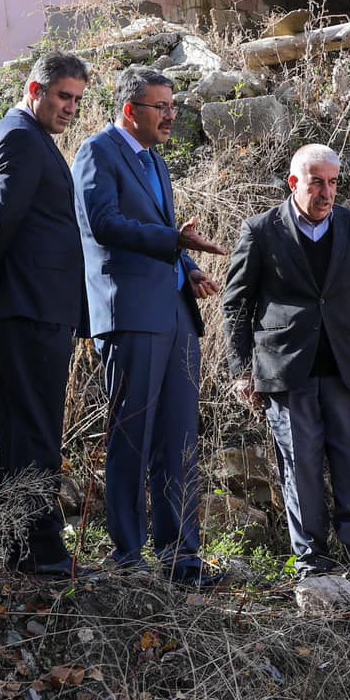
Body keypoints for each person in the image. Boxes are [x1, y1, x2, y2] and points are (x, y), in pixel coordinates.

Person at [223, 143, 350, 583]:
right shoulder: (260, 231)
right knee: (300, 465)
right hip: (287, 369)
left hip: (347, 364)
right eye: (316, 183)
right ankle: (312, 559)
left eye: (333, 183)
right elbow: (236, 306)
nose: (326, 193)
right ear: (294, 183)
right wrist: (241, 368)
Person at [72, 66, 227, 587]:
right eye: (161, 106)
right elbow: (104, 224)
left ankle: (182, 558)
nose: (171, 115)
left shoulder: (156, 160)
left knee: (180, 438)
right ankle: (127, 555)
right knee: (132, 437)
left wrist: (188, 268)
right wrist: (173, 245)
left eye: (173, 105)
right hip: (129, 315)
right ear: (129, 110)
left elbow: (164, 234)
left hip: (176, 315)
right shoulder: (97, 152)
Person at [0, 52, 90, 577]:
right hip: (26, 307)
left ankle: (24, 547)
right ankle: (39, 551)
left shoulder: (30, 139)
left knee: (26, 426)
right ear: (35, 89)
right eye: (62, 96)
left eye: (77, 99)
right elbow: (1, 221)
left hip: (33, 306)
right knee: (34, 428)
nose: (70, 107)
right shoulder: (20, 138)